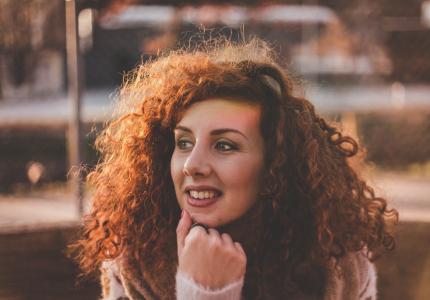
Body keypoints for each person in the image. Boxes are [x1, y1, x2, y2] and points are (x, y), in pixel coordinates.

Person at [70, 39, 398, 300]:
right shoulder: (137, 257)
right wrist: (203, 291)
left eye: (225, 145)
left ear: (274, 165)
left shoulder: (338, 263)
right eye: (183, 143)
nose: (192, 165)